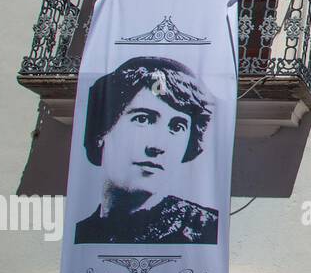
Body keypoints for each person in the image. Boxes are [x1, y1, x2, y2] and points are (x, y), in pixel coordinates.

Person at [74, 56, 218, 244]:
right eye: (143, 119)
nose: (158, 146)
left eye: (177, 127)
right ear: (102, 131)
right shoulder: (81, 233)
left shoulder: (207, 228)